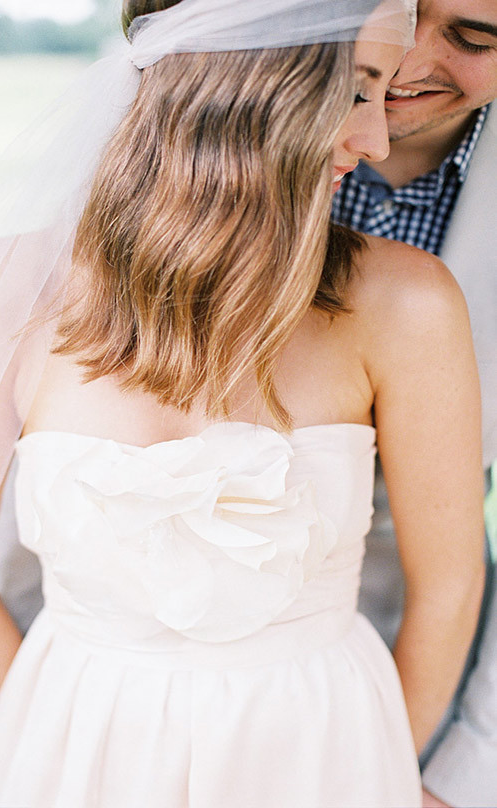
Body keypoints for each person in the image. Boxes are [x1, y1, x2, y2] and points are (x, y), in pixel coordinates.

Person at [0, 1, 485, 805]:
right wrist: (52, 735)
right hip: (72, 751)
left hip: (327, 749)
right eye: (360, 90)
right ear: (252, 80)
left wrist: (379, 764)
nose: (376, 142)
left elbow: (450, 584)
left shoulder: (410, 305)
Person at [333, 1, 497, 805]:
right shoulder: (192, 151)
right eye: (394, 10)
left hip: (420, 678)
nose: (402, 64)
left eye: (472, 39)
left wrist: (468, 768)